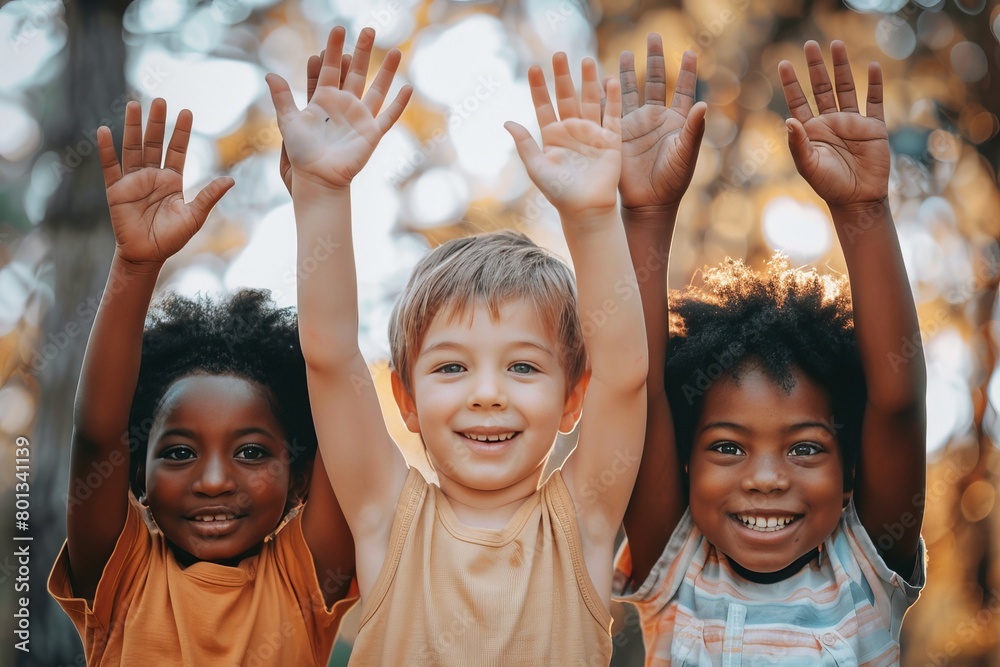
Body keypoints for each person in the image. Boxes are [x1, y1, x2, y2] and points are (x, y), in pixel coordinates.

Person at [269, 24, 647, 662]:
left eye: (524, 366)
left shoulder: (581, 521)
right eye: (450, 368)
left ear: (572, 398)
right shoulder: (387, 518)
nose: (488, 395)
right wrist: (324, 194)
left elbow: (626, 374)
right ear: (407, 399)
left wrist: (592, 219)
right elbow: (330, 355)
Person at [617, 38, 926, 663]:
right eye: (727, 446)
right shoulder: (674, 564)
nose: (764, 479)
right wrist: (645, 215)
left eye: (807, 447)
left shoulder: (863, 569)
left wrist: (862, 210)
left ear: (849, 475)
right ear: (683, 460)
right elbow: (637, 391)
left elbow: (896, 402)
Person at [47, 97, 357, 665]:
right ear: (137, 472)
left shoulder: (304, 579)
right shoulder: (122, 576)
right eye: (180, 451)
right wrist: (135, 266)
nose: (214, 480)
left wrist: (323, 200)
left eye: (252, 451)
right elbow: (97, 433)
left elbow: (336, 375)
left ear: (300, 477)